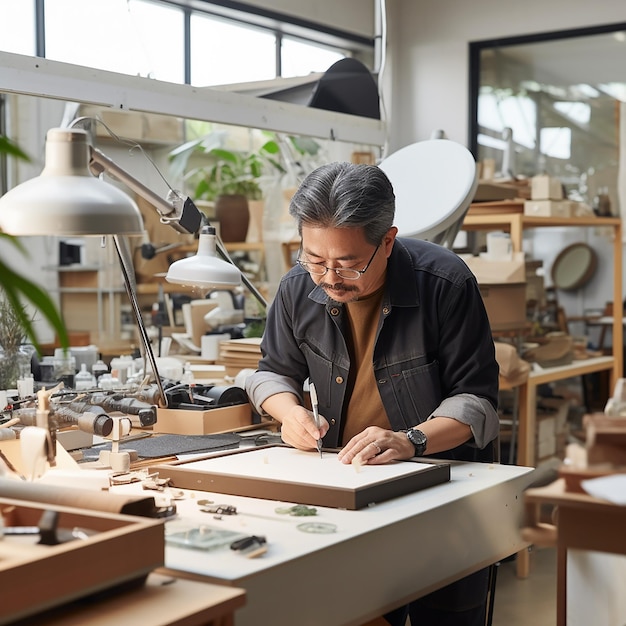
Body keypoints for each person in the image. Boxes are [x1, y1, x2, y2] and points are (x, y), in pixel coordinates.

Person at [245, 161, 500, 626]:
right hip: (349, 486)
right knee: (347, 608)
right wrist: (289, 415)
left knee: (444, 614)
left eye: (346, 264)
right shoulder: (297, 287)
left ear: (387, 240)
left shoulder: (446, 283)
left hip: (440, 494)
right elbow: (270, 374)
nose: (328, 278)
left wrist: (411, 440)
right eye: (314, 259)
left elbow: (476, 403)